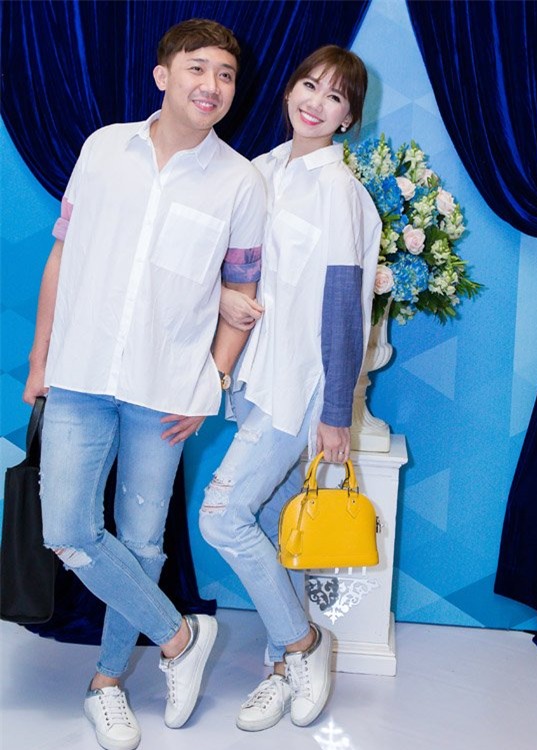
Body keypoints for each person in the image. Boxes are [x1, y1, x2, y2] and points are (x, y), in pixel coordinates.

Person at [22, 18, 265, 750]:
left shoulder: (240, 182)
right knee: (69, 532)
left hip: (167, 390)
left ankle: (106, 684)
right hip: (80, 373)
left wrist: (210, 382)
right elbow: (62, 257)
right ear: (163, 75)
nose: (212, 85)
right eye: (198, 68)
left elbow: (242, 295)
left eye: (225, 74)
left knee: (141, 542)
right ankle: (180, 637)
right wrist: (39, 360)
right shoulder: (103, 149)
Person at [200, 45, 382, 732]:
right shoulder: (260, 170)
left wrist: (335, 411)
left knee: (222, 517)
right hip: (253, 375)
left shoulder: (339, 191)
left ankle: (305, 645)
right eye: (309, 85)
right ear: (288, 91)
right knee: (276, 527)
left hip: (299, 384)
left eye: (335, 97)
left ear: (348, 118)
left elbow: (343, 308)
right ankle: (281, 668)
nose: (316, 102)